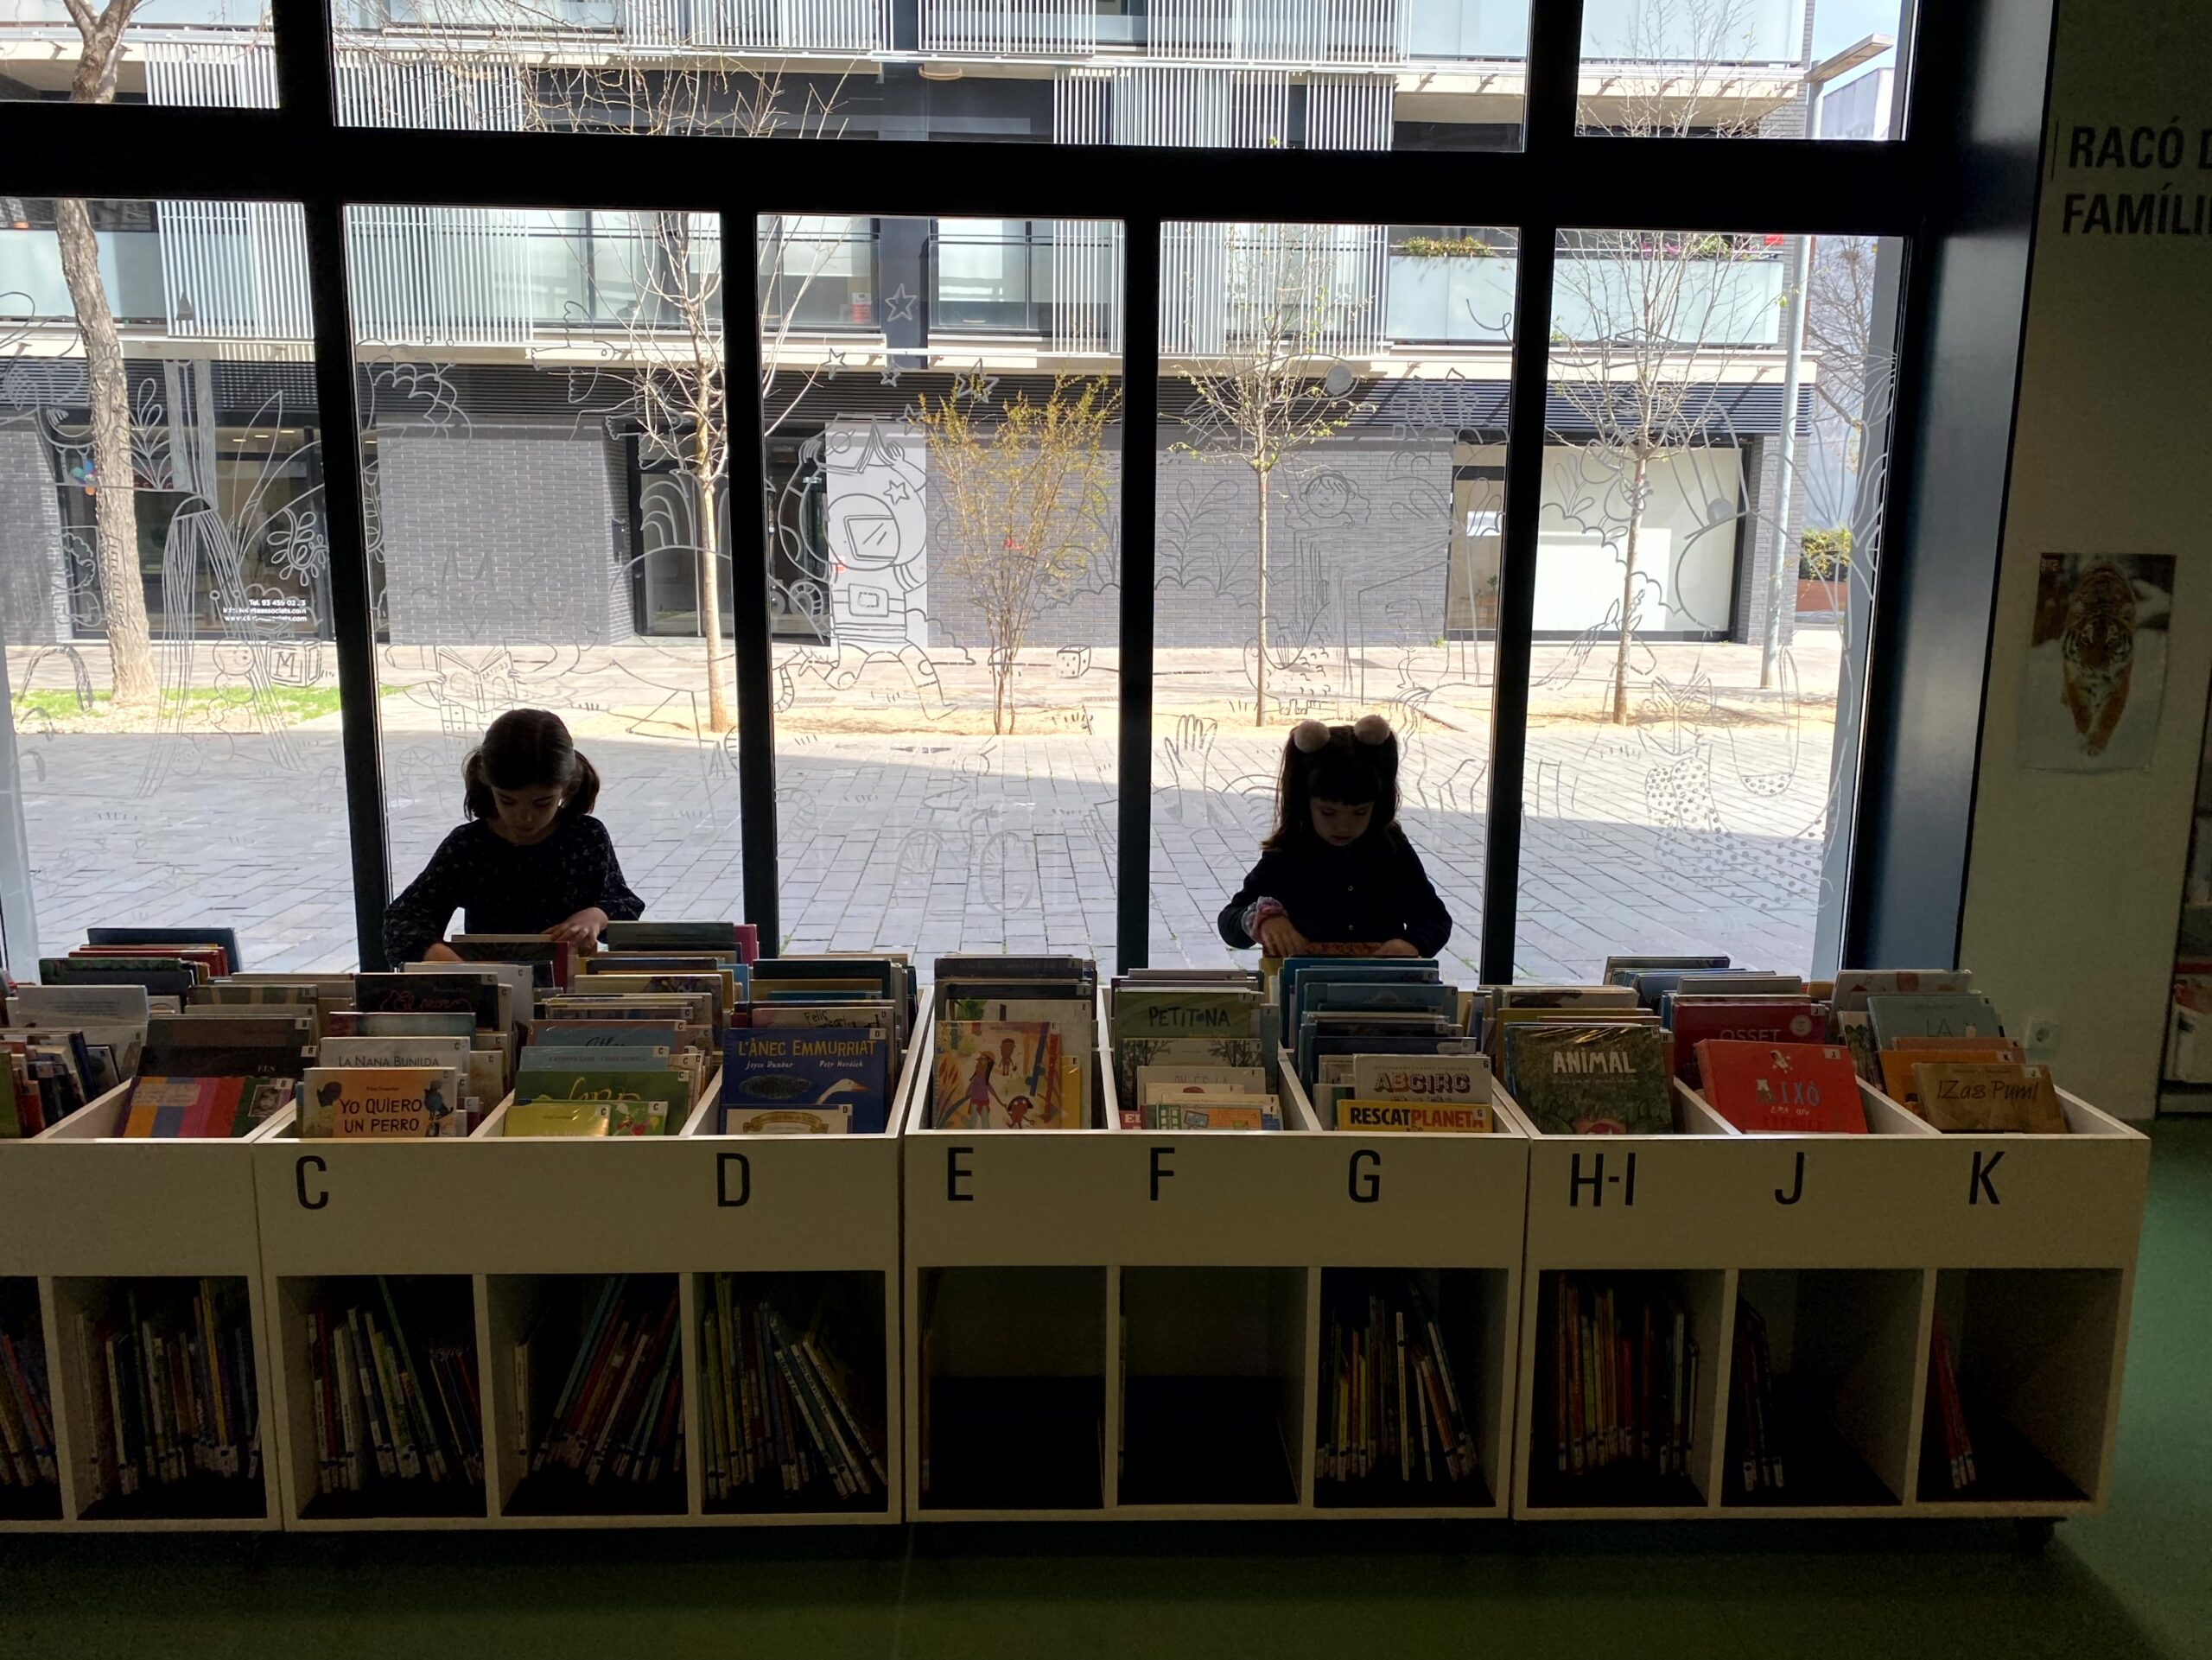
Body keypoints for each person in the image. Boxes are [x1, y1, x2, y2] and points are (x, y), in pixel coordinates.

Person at [384, 708, 645, 964]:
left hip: (573, 982)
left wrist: (596, 916)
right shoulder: (470, 846)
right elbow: (404, 919)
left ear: (567, 787)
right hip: (490, 983)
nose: (525, 817)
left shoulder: (585, 837)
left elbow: (624, 905)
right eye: (507, 801)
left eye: (542, 803)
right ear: (488, 785)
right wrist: (447, 963)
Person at [1217, 715, 1452, 960]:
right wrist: (1262, 920)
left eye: (1360, 812)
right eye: (1328, 812)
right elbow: (1229, 922)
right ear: (1305, 803)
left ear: (1377, 805)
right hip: (1302, 981)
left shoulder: (1391, 849)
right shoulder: (1289, 851)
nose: (1343, 826)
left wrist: (1412, 943)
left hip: (1381, 982)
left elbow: (1435, 919)